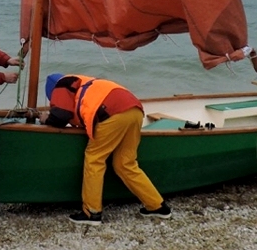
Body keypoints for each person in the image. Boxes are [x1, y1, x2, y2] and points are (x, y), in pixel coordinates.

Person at [41, 73, 172, 225]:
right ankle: (157, 206)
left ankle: (92, 212)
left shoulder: (61, 84)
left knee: (94, 159)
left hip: (111, 114)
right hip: (134, 110)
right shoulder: (85, 83)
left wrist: (46, 119)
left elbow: (60, 117)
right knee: (125, 163)